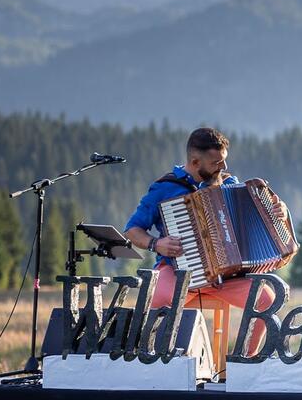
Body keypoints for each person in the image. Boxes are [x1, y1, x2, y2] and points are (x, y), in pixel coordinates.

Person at [123, 127, 288, 355]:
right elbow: (132, 229)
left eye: (224, 161)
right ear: (195, 161)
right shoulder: (165, 188)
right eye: (216, 162)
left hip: (226, 276)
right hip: (177, 271)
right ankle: (161, 364)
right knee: (158, 298)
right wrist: (156, 244)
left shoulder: (230, 184)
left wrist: (280, 211)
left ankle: (244, 363)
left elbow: (263, 212)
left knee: (267, 300)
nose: (223, 167)